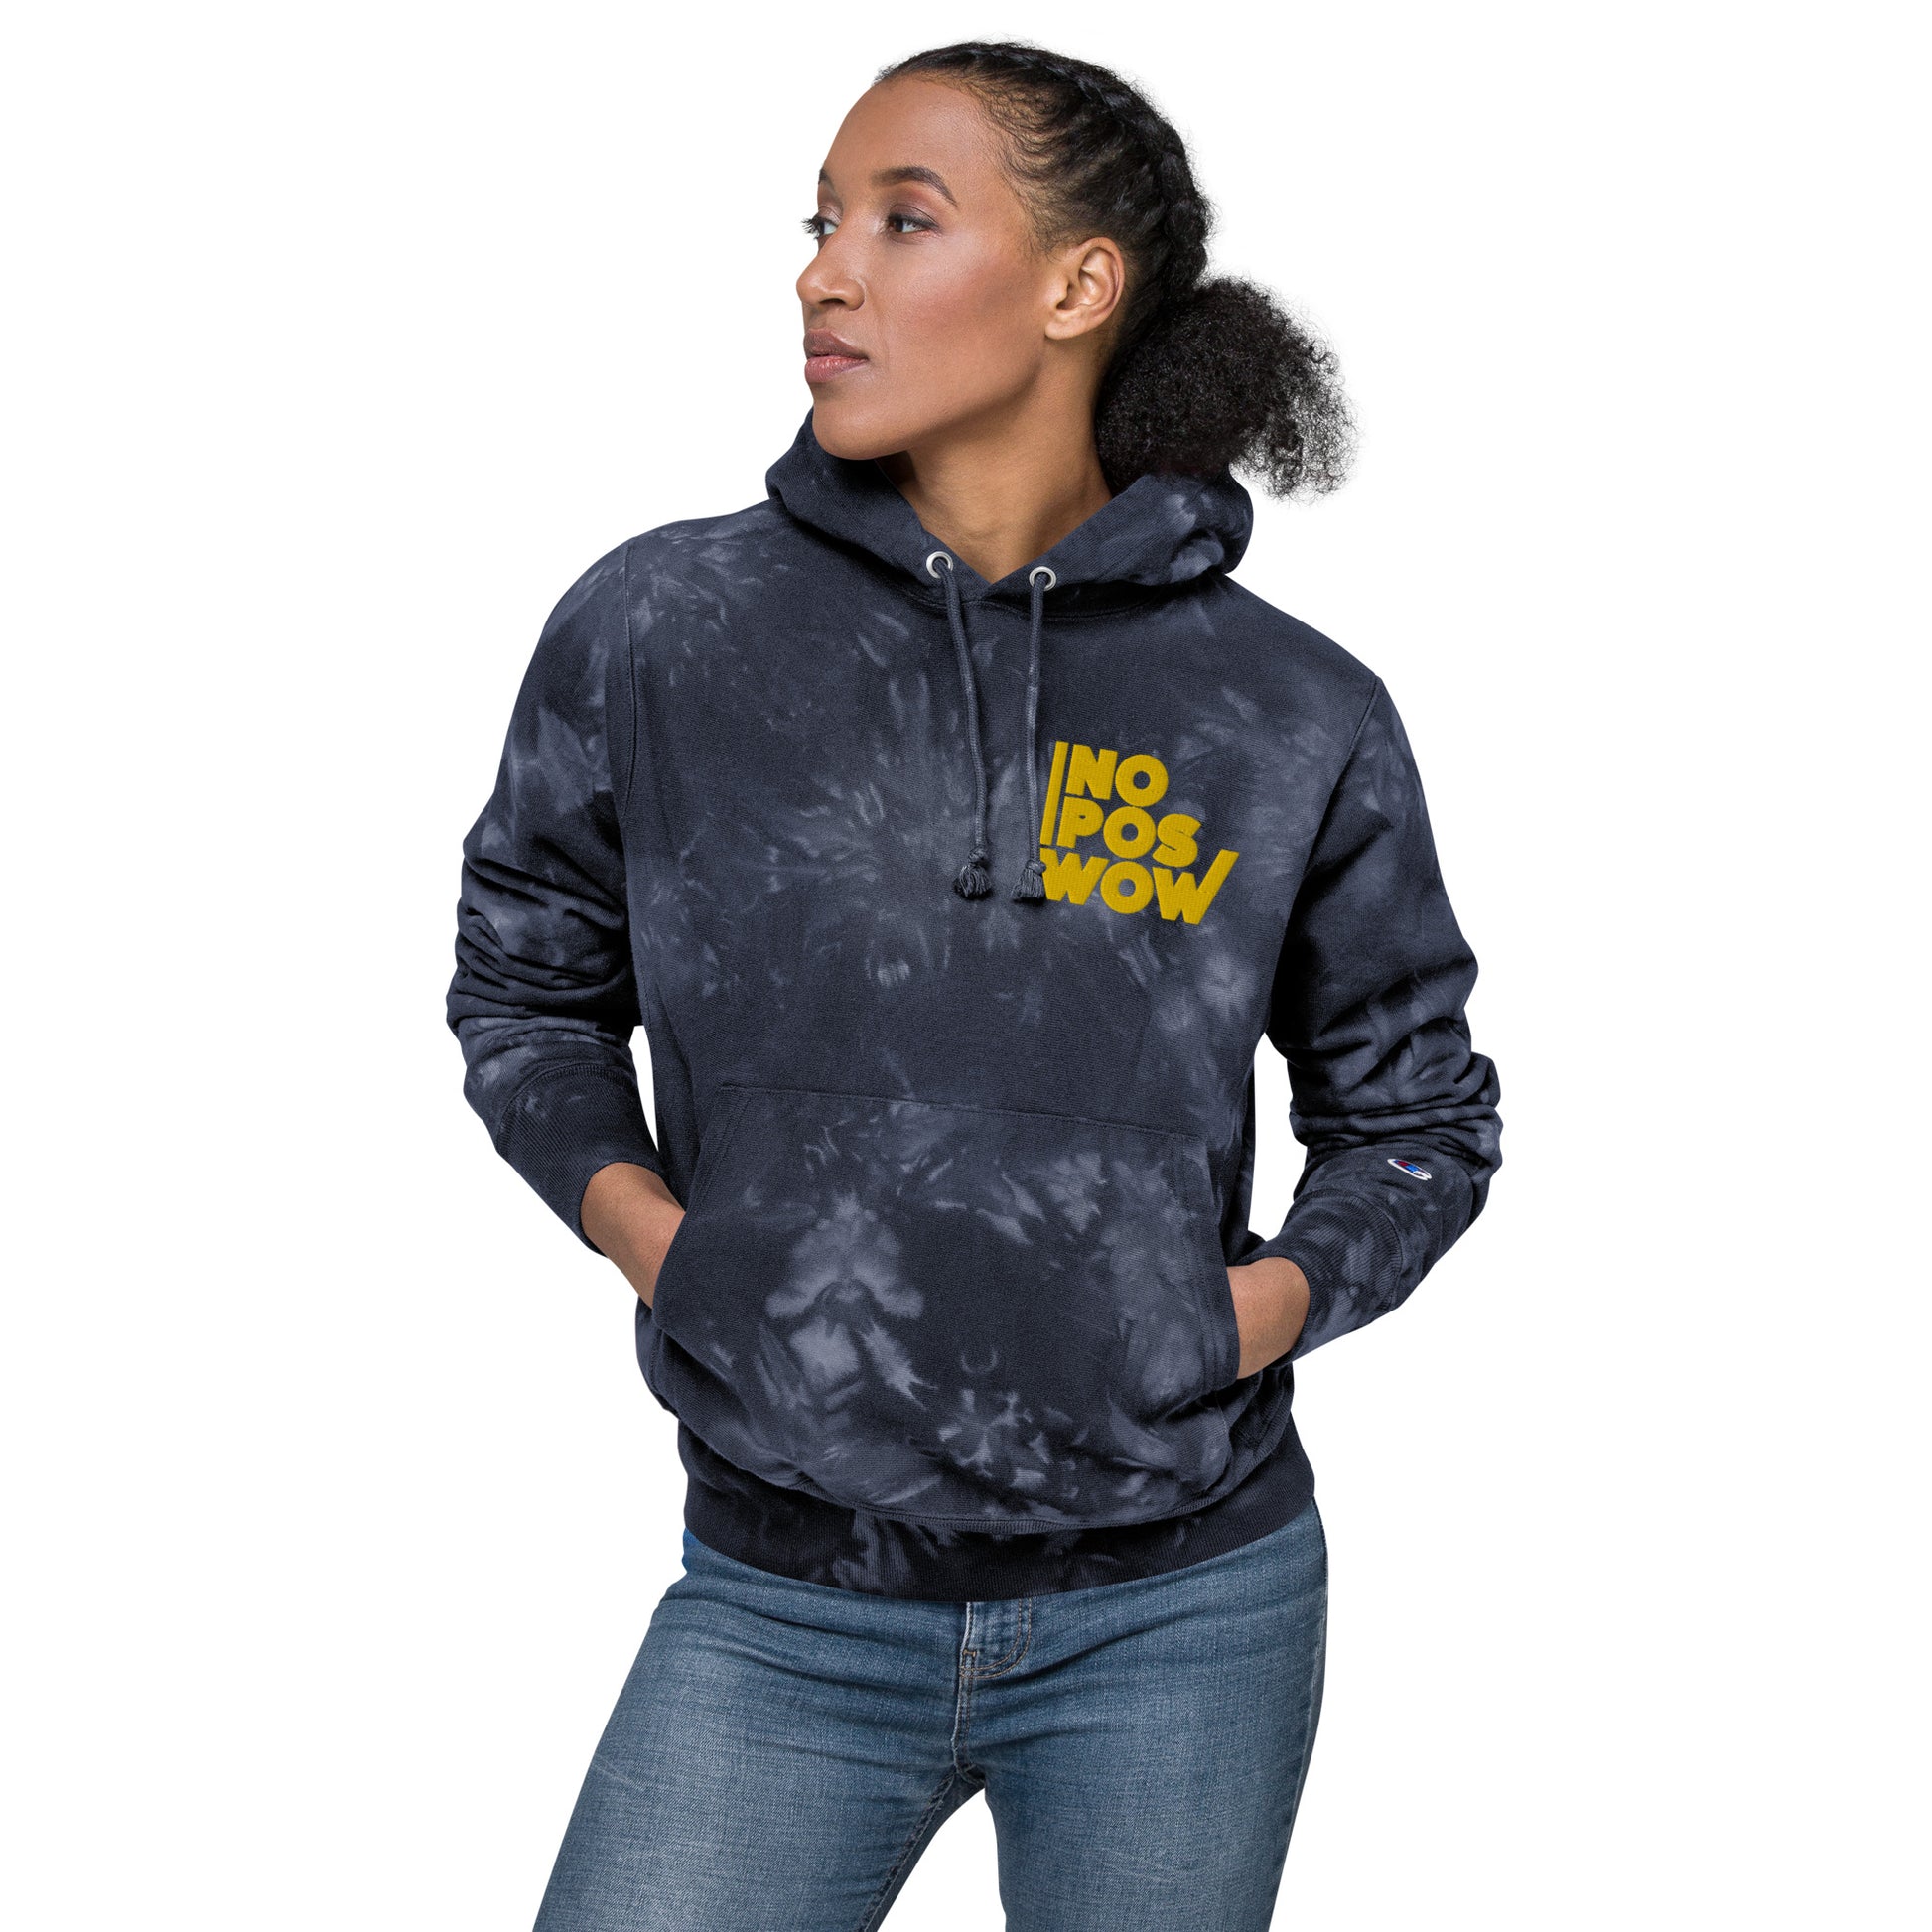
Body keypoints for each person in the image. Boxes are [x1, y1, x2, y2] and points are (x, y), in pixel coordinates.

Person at [447, 38, 1502, 1932]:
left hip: (1181, 1607)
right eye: (820, 223)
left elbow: (1417, 1112)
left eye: (902, 222)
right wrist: (663, 1245)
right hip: (782, 1599)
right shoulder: (666, 627)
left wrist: (1238, 1315)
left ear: (1080, 285)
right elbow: (525, 983)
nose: (823, 272)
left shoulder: (1286, 710)